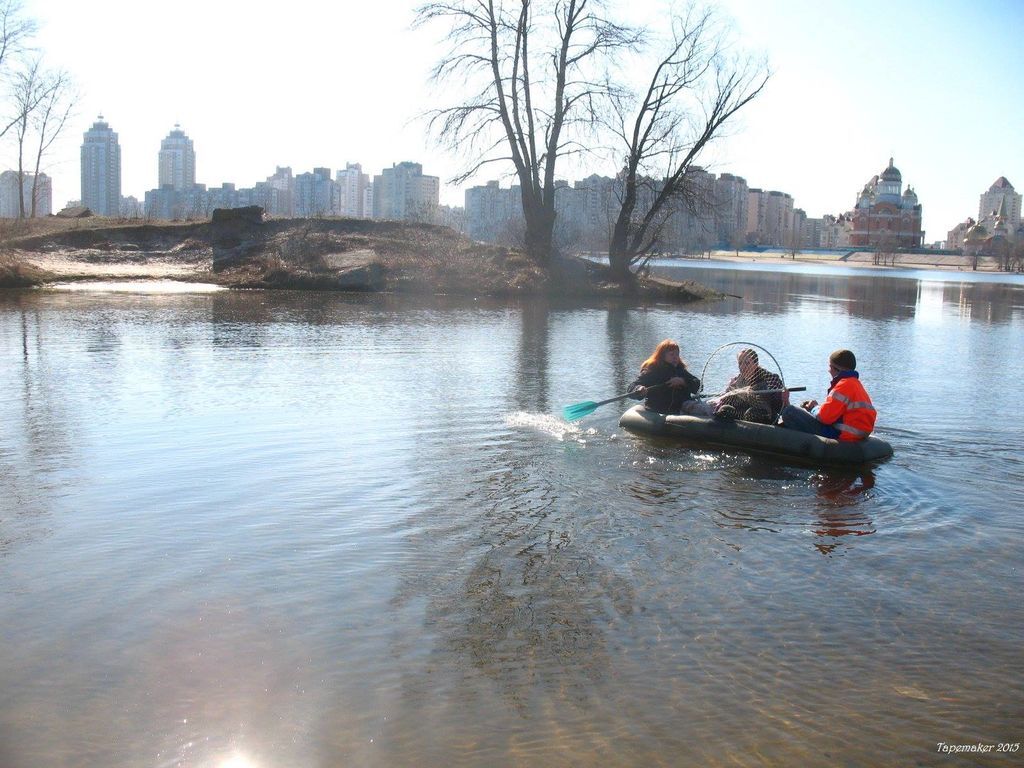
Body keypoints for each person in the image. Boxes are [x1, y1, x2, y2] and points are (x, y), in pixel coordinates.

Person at [779, 349, 876, 440]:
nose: (829, 370)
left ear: (836, 369)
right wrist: (817, 407)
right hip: (857, 435)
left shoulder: (843, 385)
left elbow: (824, 418)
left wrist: (813, 408)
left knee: (789, 411)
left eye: (830, 366)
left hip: (840, 435)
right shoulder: (856, 384)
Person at [713, 348, 790, 423]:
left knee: (751, 413)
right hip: (741, 415)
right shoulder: (736, 381)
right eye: (740, 363)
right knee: (724, 409)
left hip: (765, 416)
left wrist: (785, 399)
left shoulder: (770, 380)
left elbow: (782, 407)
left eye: (747, 363)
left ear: (756, 364)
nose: (743, 367)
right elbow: (726, 401)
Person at [627, 339, 702, 415]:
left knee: (713, 405)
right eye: (672, 354)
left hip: (683, 406)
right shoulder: (653, 370)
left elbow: (699, 386)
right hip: (661, 409)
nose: (675, 357)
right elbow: (631, 388)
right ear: (662, 356)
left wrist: (683, 381)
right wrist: (639, 389)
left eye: (677, 354)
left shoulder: (680, 370)